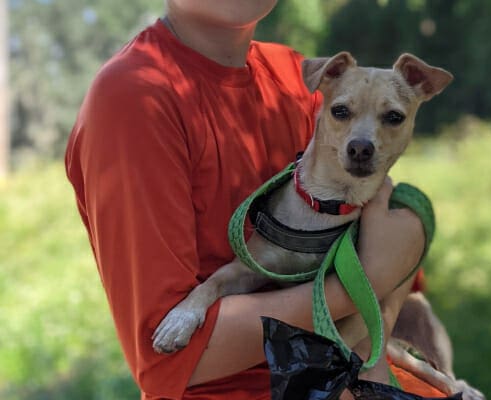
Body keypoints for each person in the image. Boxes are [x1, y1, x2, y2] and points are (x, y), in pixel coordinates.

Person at [64, 1, 434, 399]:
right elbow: (172, 361)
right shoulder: (136, 96)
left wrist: (375, 357)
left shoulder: (299, 79)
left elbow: (397, 277)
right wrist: (361, 286)